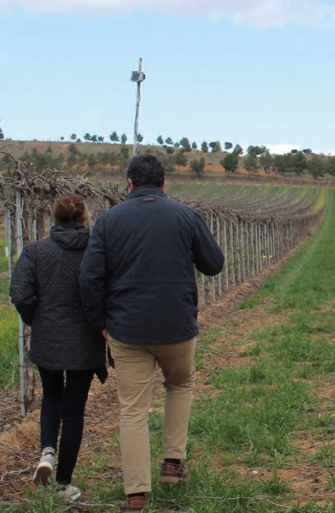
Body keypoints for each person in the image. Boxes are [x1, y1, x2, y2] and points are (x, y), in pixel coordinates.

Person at [80, 154, 223, 512]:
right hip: (177, 326)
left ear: (128, 183)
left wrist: (100, 323)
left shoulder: (108, 221)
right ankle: (173, 462)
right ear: (164, 184)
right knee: (180, 384)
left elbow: (90, 277)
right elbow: (214, 264)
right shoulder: (185, 216)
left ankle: (136, 493)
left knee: (132, 409)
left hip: (126, 330)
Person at [9, 194, 107, 502]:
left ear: (54, 218)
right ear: (83, 218)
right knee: (75, 409)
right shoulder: (97, 253)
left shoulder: (35, 251)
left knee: (51, 396)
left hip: (48, 340)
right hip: (86, 341)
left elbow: (21, 295)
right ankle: (64, 483)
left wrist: (37, 320)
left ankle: (47, 452)